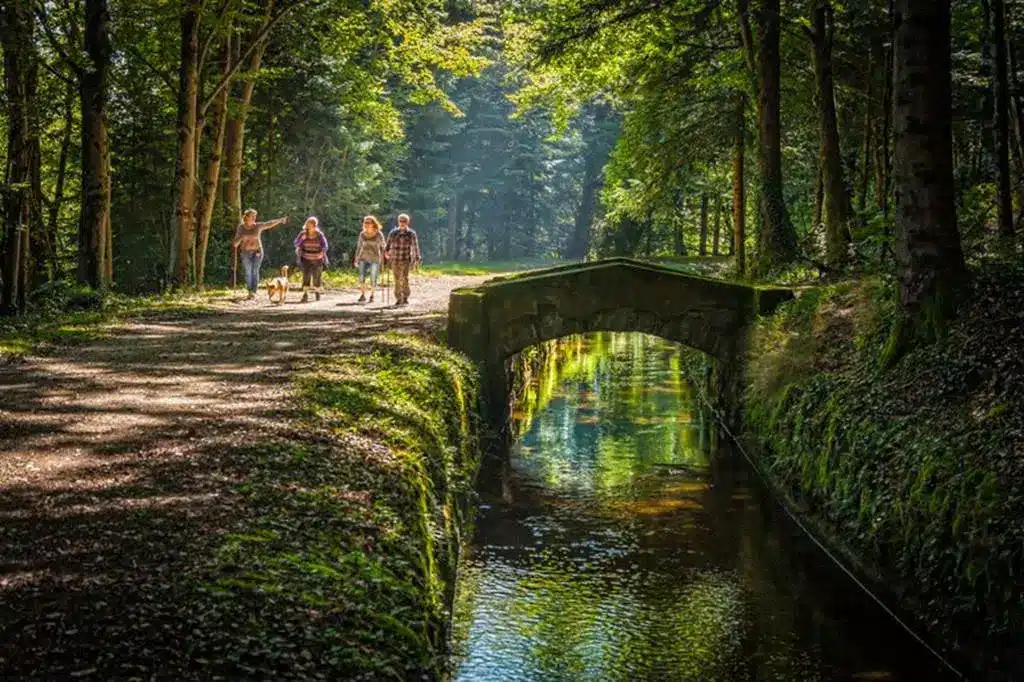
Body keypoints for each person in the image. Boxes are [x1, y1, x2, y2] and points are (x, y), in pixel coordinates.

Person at [232, 208, 289, 299]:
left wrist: (280, 220)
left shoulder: (258, 226)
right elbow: (235, 243)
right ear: (246, 217)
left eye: (255, 216)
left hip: (257, 251)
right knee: (248, 272)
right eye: (252, 216)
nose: (254, 218)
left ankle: (253, 291)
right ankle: (250, 290)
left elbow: (269, 224)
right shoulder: (241, 228)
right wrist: (241, 237)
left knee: (255, 271)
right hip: (245, 252)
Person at [384, 213, 421, 306]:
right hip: (395, 259)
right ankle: (398, 298)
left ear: (407, 222)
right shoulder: (393, 233)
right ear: (398, 221)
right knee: (396, 279)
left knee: (405, 278)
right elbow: (387, 245)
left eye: (404, 221)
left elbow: (415, 246)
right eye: (400, 221)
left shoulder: (411, 233)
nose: (402, 223)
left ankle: (405, 297)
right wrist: (386, 253)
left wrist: (417, 257)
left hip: (405, 259)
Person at [293, 216, 329, 302]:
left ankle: (317, 292)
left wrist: (322, 252)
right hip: (306, 258)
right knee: (306, 276)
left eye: (311, 225)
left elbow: (325, 246)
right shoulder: (302, 234)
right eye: (308, 225)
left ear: (315, 225)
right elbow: (296, 243)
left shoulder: (319, 235)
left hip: (318, 258)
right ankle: (305, 294)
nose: (309, 227)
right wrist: (302, 239)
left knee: (317, 277)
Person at [353, 215, 386, 303]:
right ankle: (362, 295)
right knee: (361, 276)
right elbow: (359, 247)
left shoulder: (379, 234)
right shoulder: (362, 234)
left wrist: (385, 250)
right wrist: (356, 258)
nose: (367, 224)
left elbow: (383, 245)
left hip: (375, 258)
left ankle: (372, 295)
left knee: (373, 277)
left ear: (373, 224)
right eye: (365, 222)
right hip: (363, 257)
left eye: (369, 222)